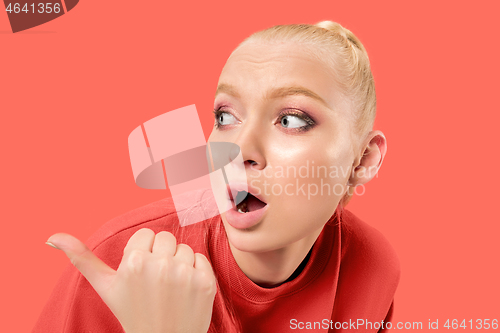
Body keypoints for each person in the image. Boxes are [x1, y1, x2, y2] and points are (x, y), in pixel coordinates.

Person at [33, 20, 400, 333]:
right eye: (226, 117)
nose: (239, 151)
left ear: (363, 160)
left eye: (290, 120)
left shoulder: (370, 267)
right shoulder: (121, 265)